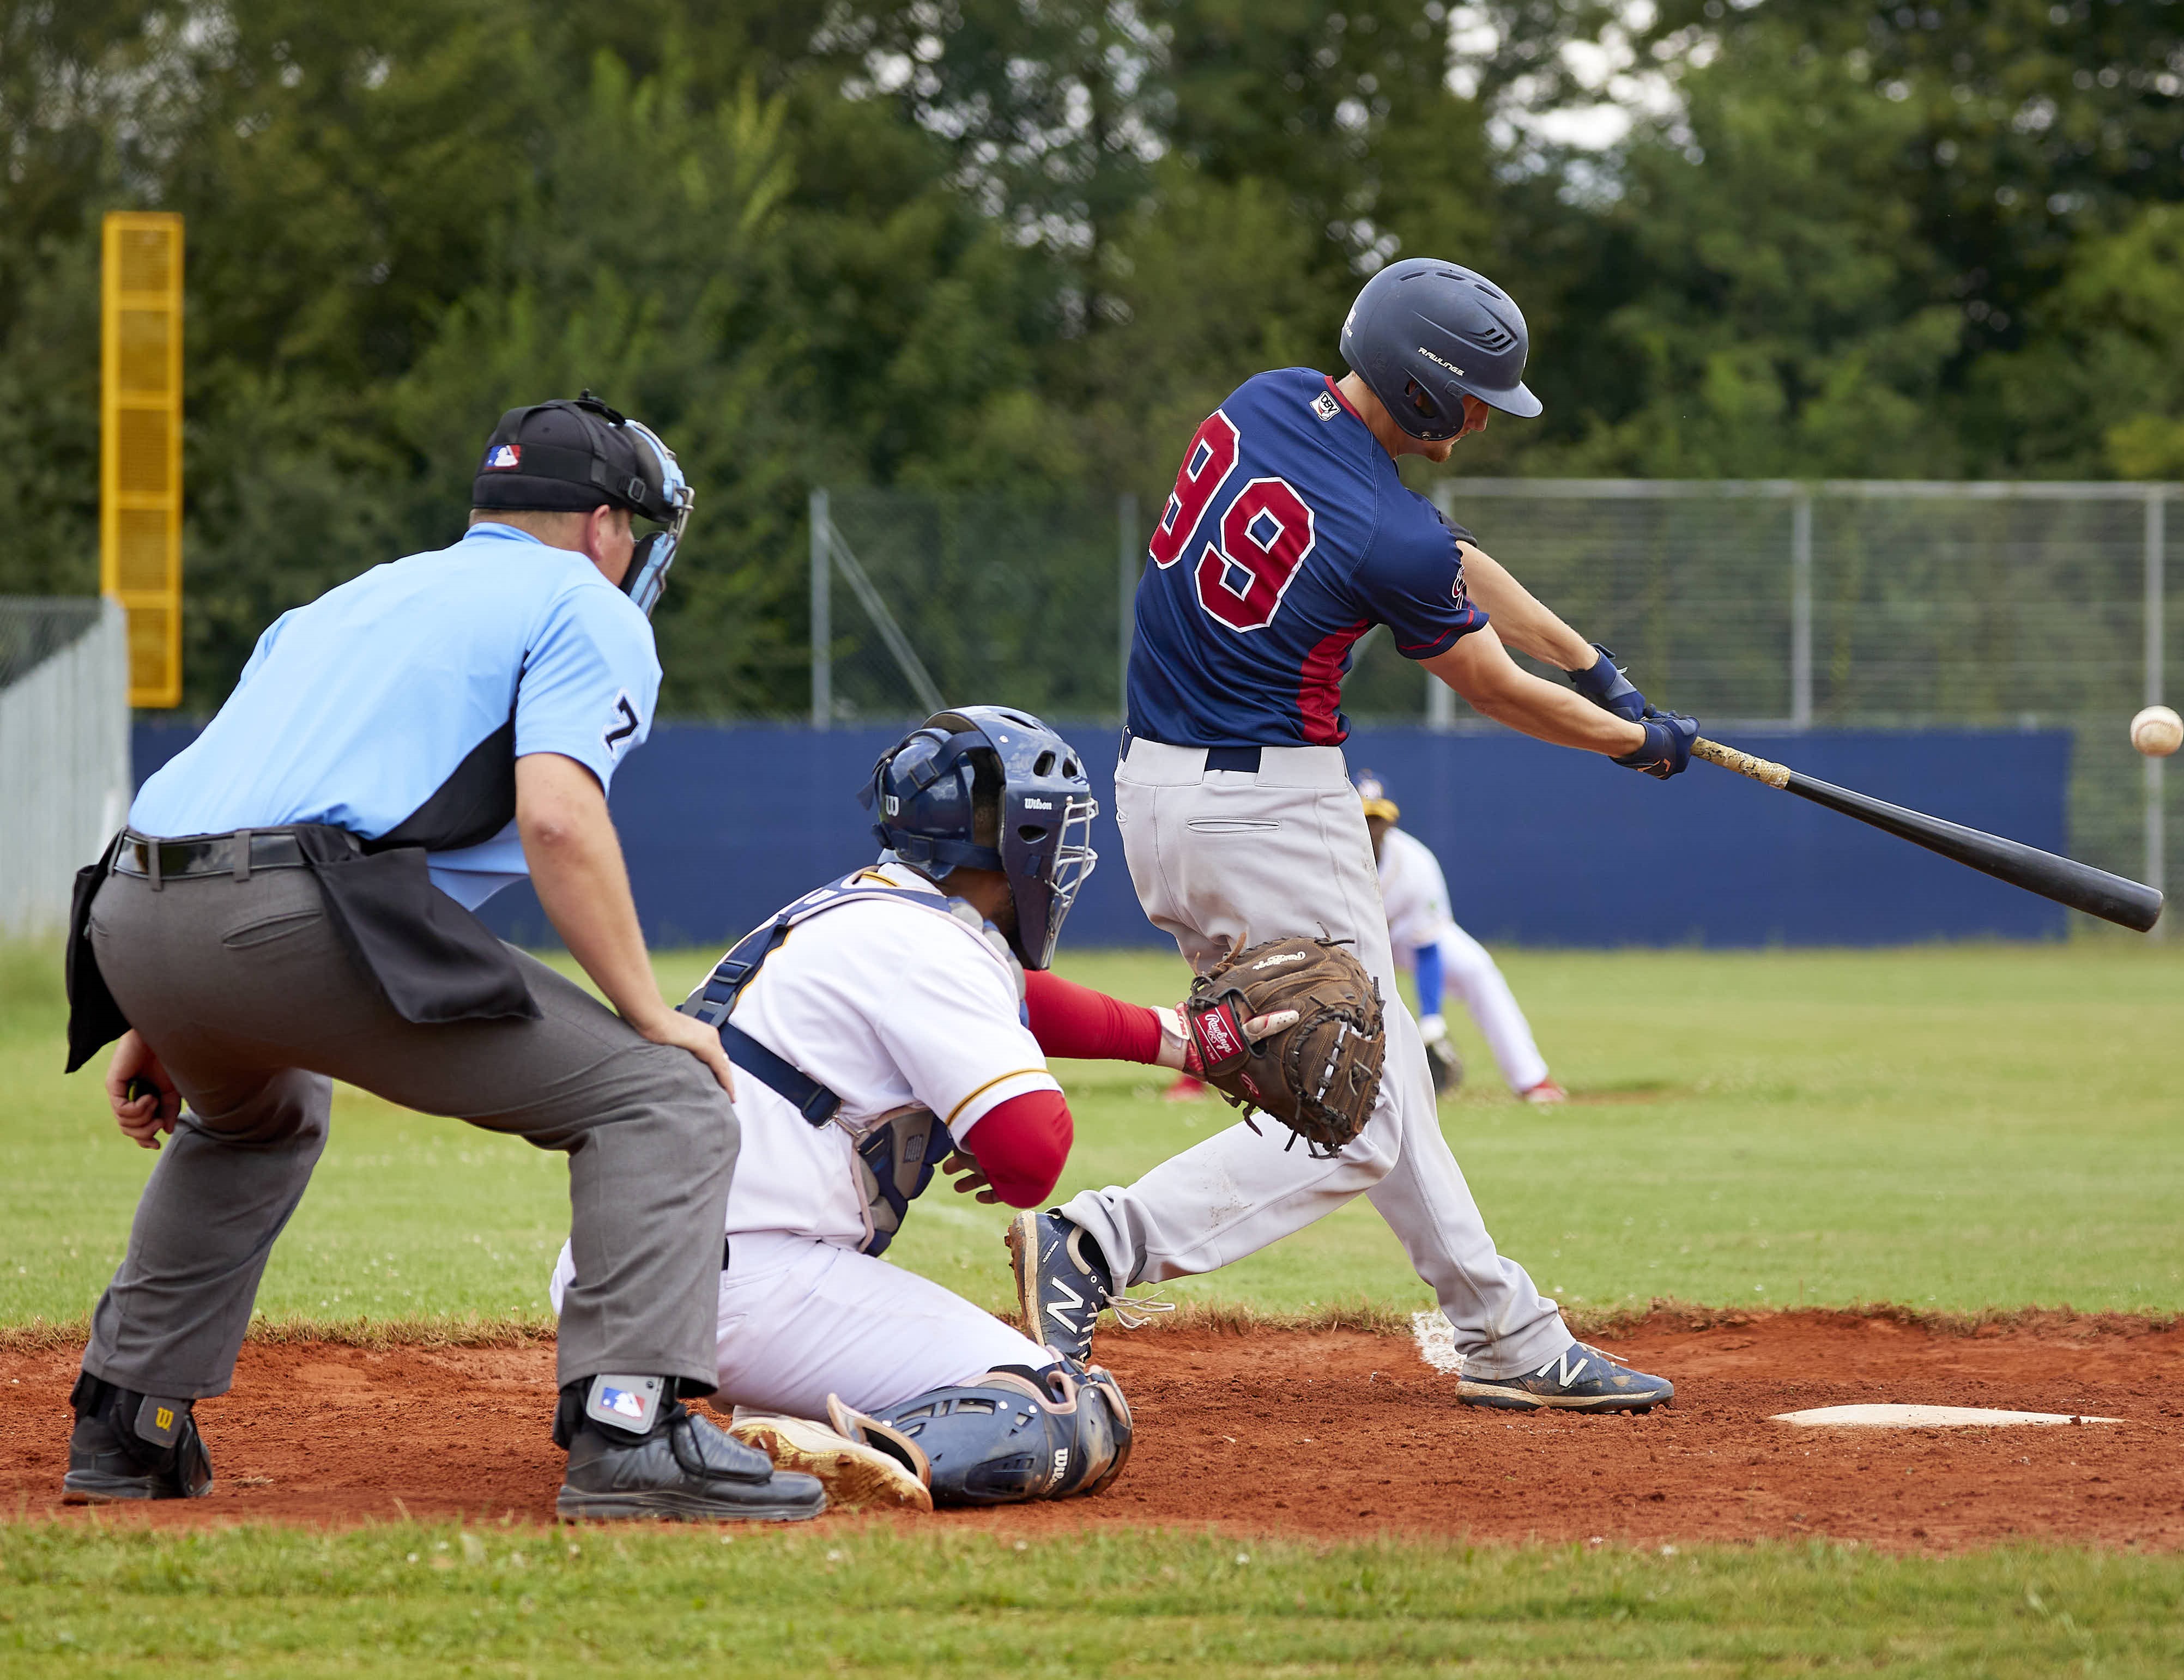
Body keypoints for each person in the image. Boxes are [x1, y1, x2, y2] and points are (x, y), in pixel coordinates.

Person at [59, 395, 825, 1522]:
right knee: (661, 1096)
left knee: (254, 1115)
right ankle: (629, 1428)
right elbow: (558, 820)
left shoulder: (348, 597)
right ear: (607, 524)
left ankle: (128, 1420)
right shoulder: (583, 600)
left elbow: (228, 791)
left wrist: (168, 1007)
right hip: (286, 912)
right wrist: (650, 1011)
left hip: (131, 907)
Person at [1008, 257, 1695, 1412]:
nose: (1483, 418)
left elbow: (1450, 554)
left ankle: (1503, 1330)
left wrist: (1594, 668)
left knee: (1369, 1082)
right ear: (1425, 392)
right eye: (1476, 396)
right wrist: (1627, 742)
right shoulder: (1386, 537)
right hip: (1272, 814)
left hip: (1157, 795)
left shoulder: (1267, 399)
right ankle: (1095, 1244)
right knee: (1354, 1114)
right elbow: (1490, 684)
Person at [547, 708, 1237, 1509]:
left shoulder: (868, 911)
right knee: (1057, 1402)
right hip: (741, 1284)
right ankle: (817, 1451)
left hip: (629, 1277)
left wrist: (1183, 1041)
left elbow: (1020, 1003)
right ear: (1020, 840)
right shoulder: (935, 947)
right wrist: (980, 1121)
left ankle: (766, 1413)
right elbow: (1031, 1155)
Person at [1356, 771, 1566, 1105]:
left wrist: (1431, 1021)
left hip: (1405, 938)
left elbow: (1427, 949)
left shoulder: (1416, 864)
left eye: (1377, 818)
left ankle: (1531, 1079)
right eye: (1362, 818)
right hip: (1350, 945)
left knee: (1476, 968)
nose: (1370, 828)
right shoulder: (1325, 861)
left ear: (1391, 822)